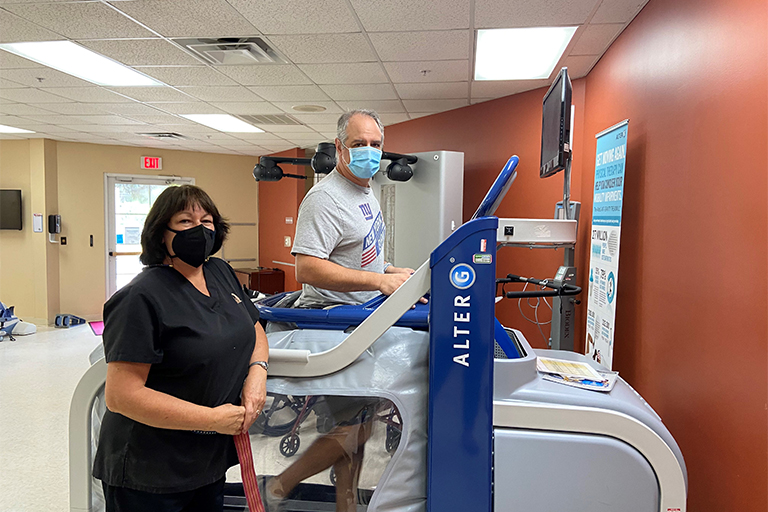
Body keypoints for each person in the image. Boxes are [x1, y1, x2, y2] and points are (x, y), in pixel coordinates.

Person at [262, 110, 415, 511]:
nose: (368, 152)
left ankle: (346, 505)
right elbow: (307, 267)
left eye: (375, 144)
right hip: (332, 321)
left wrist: (394, 272)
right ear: (340, 148)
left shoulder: (366, 191)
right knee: (354, 428)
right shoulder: (325, 197)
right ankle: (279, 485)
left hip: (360, 319)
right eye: (359, 144)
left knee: (357, 422)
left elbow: (361, 257)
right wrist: (378, 282)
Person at [93, 185, 269, 512]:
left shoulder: (220, 272)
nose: (200, 230)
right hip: (150, 469)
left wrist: (257, 373)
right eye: (186, 221)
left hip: (207, 460)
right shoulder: (140, 297)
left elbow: (254, 326)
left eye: (207, 220)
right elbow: (121, 395)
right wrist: (212, 419)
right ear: (162, 233)